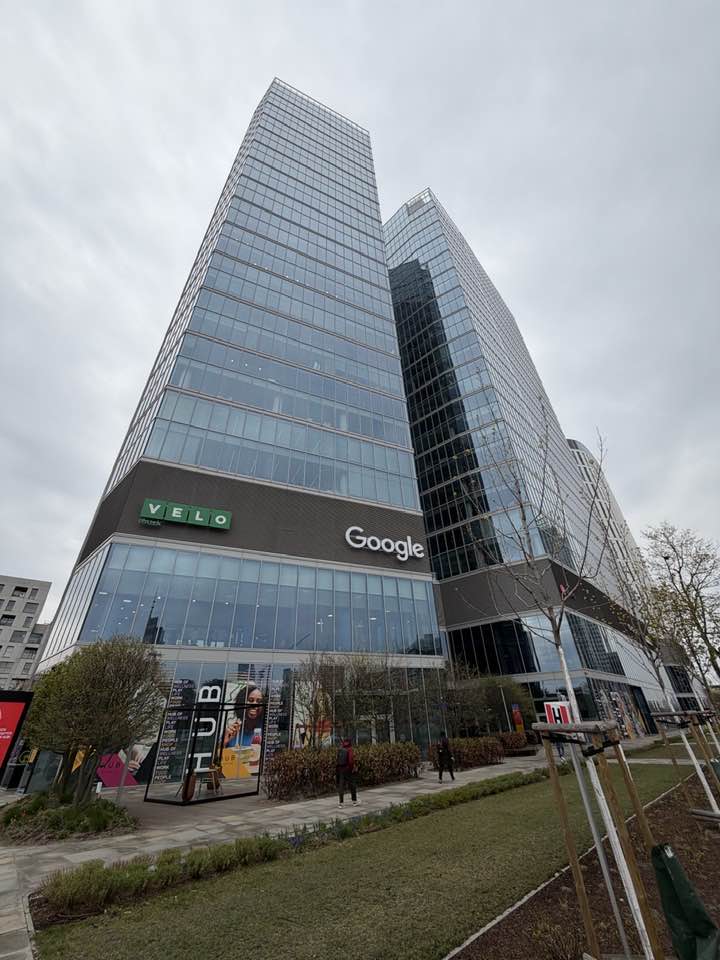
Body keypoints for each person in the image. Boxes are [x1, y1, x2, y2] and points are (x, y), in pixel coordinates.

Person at [336, 737, 359, 807]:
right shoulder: (350, 749)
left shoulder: (340, 748)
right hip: (348, 769)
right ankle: (354, 801)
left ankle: (341, 803)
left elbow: (337, 759)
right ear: (350, 742)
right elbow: (351, 761)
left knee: (341, 786)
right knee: (352, 785)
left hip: (341, 769)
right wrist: (352, 769)